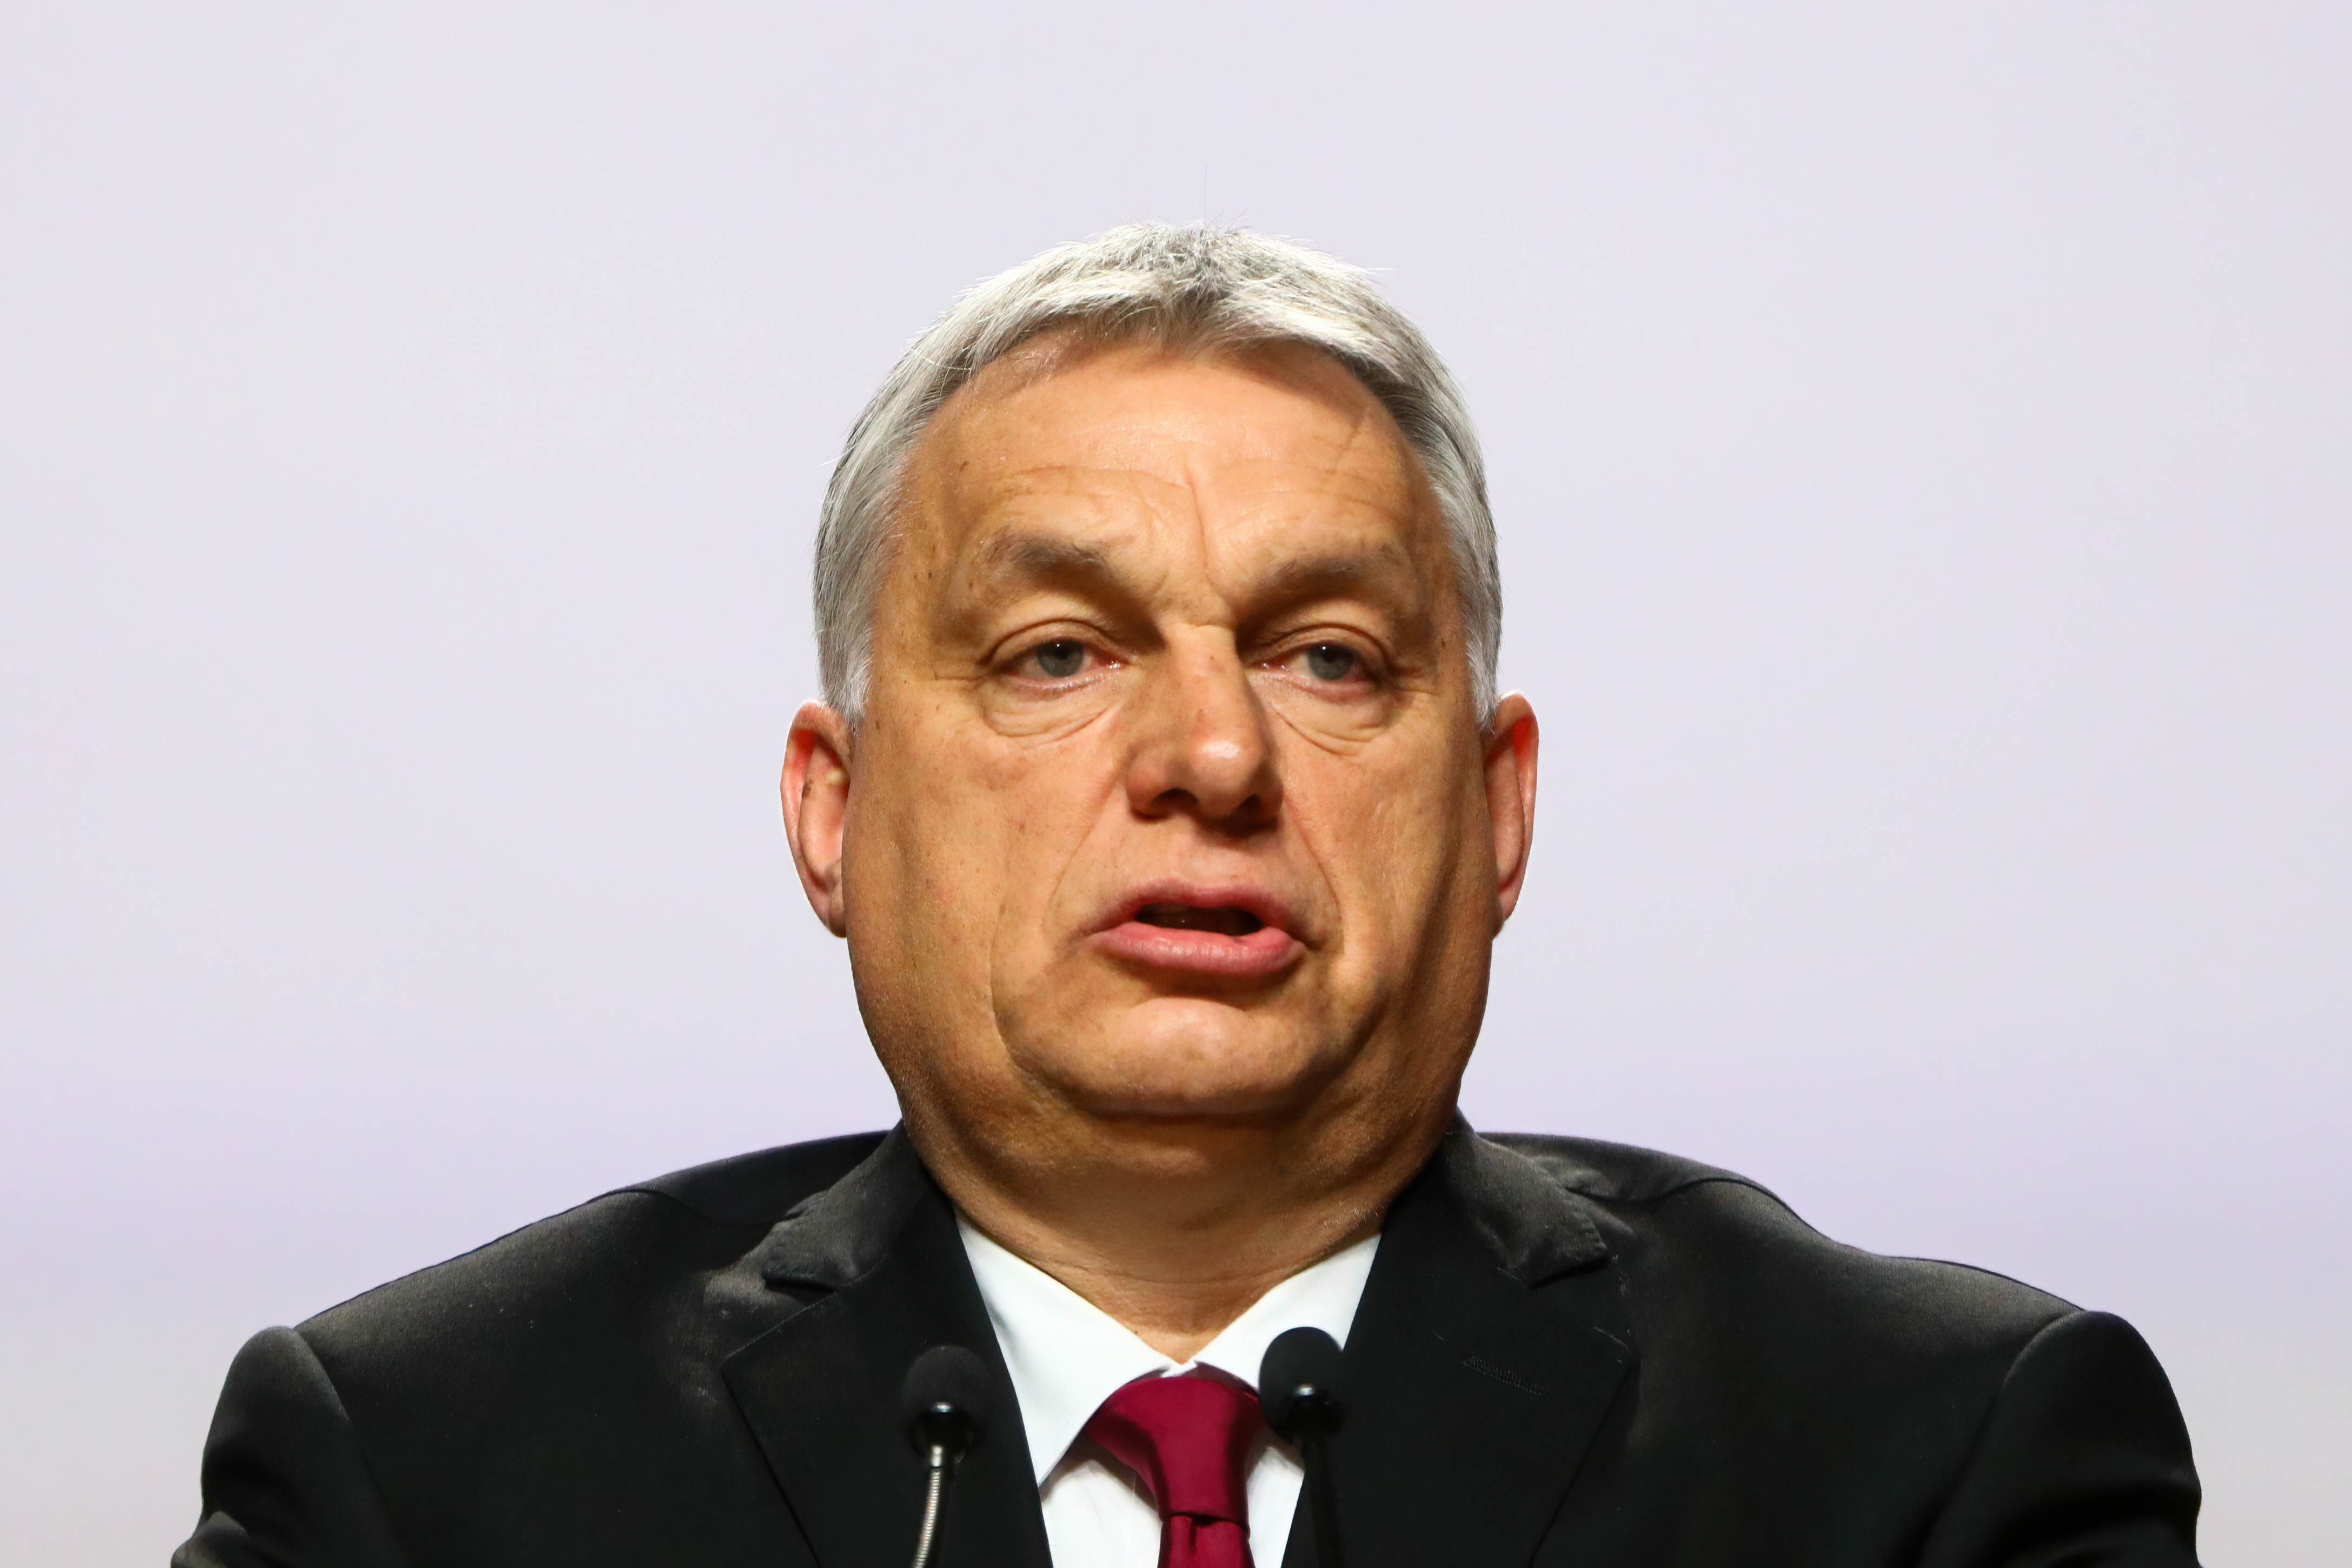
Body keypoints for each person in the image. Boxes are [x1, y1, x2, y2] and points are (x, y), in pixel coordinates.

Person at [176, 225, 2201, 1568]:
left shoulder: (1930, 1461)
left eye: (1330, 657)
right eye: (1059, 653)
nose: (1215, 755)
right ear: (834, 811)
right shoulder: (422, 1475)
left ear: (1497, 810)